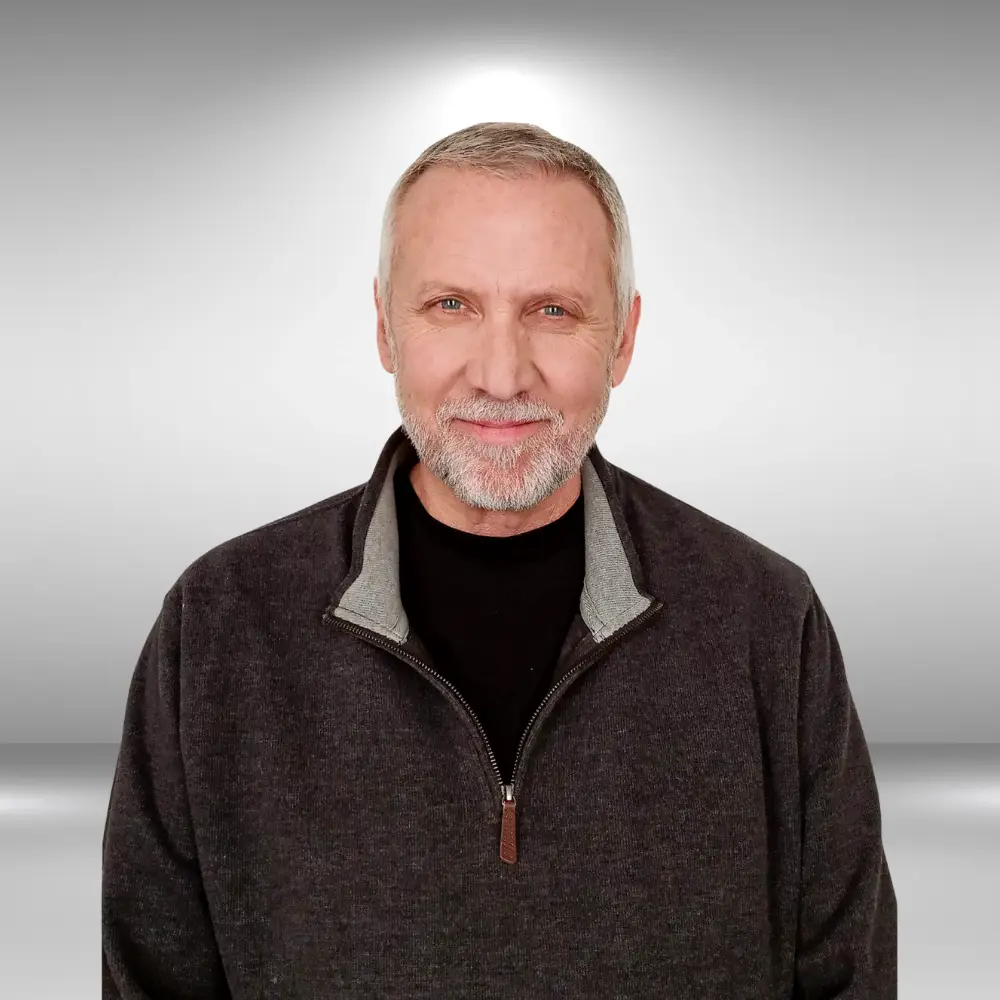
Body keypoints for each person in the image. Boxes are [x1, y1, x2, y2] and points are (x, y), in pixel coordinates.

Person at [102, 121, 897, 998]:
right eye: (452, 306)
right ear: (384, 330)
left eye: (552, 311)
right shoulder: (219, 625)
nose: (503, 373)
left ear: (624, 340)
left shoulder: (766, 622)